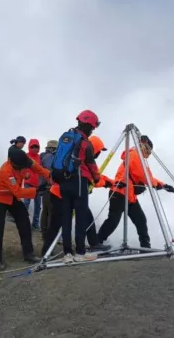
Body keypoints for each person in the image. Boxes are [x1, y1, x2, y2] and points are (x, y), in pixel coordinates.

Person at [97, 135, 174, 249]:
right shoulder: (135, 156)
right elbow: (146, 177)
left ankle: (145, 247)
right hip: (119, 193)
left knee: (140, 220)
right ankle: (97, 241)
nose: (148, 155)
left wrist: (162, 185)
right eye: (149, 152)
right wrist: (160, 185)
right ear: (145, 148)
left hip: (130, 196)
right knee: (113, 220)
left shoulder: (136, 157)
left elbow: (145, 176)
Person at [42, 135, 112, 257]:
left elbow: (93, 177)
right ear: (94, 149)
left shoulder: (79, 157)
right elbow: (91, 179)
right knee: (56, 224)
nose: (99, 153)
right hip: (61, 196)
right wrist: (107, 183)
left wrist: (109, 181)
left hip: (67, 194)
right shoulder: (82, 161)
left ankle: (94, 243)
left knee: (87, 217)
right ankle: (46, 252)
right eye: (99, 151)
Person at [0, 147, 51, 269]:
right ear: (12, 162)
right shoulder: (6, 172)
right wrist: (37, 190)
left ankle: (29, 254)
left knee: (24, 222)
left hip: (12, 197)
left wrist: (49, 175)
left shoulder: (24, 160)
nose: (24, 167)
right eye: (21, 166)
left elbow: (37, 168)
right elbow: (17, 192)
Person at [52, 110, 101, 263]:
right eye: (92, 127)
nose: (92, 130)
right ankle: (80, 252)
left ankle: (67, 254)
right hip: (79, 181)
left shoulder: (66, 136)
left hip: (63, 181)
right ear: (88, 126)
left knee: (66, 217)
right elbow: (91, 164)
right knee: (80, 217)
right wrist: (97, 178)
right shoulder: (85, 143)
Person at [38, 140, 57, 236]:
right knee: (51, 210)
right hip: (50, 187)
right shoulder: (51, 157)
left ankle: (44, 231)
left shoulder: (43, 157)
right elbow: (50, 172)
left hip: (43, 187)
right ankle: (49, 233)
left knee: (45, 209)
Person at [23, 138, 42, 230]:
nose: (35, 148)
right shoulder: (25, 156)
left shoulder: (40, 157)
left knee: (38, 205)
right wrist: (24, 175)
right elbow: (20, 168)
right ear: (29, 147)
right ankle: (23, 221)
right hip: (28, 183)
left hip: (38, 185)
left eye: (36, 147)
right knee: (26, 202)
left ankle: (35, 224)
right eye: (33, 146)